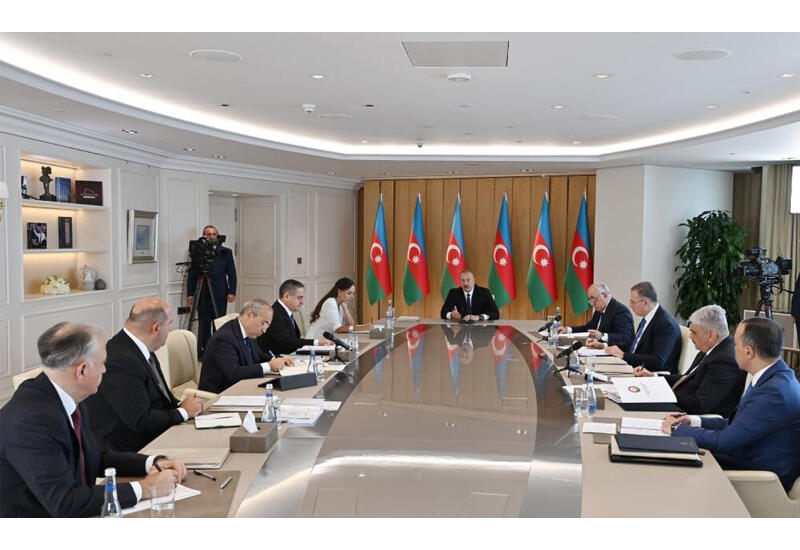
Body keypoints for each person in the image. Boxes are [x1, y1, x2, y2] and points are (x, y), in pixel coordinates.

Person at [0, 322, 187, 517]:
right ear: (82, 370)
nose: (105, 370)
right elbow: (65, 503)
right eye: (102, 363)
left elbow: (94, 457)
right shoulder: (31, 422)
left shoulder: (69, 395)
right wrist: (145, 488)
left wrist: (152, 463)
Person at [663, 317, 800, 491]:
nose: (732, 349)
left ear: (748, 352)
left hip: (757, 478)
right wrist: (693, 421)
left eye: (736, 344)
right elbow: (736, 424)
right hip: (743, 458)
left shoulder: (774, 392)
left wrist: (677, 430)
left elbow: (725, 441)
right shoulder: (774, 376)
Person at [86, 298, 203, 452]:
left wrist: (184, 406)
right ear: (156, 328)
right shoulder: (121, 359)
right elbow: (141, 421)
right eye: (169, 324)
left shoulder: (140, 348)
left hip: (155, 436)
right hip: (131, 450)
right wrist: (183, 412)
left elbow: (160, 400)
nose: (170, 330)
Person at [633, 305, 745, 417]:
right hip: (679, 405)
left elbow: (699, 405)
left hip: (690, 417)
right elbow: (686, 378)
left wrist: (660, 392)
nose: (690, 336)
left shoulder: (725, 361)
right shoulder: (712, 348)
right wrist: (654, 377)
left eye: (694, 332)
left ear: (711, 335)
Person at [199, 300, 294, 393]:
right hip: (220, 394)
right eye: (263, 323)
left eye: (267, 326)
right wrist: (269, 366)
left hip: (241, 387)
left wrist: (276, 360)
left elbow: (258, 355)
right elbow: (234, 373)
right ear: (250, 315)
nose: (264, 330)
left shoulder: (248, 332)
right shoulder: (224, 338)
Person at [605, 281, 681, 374]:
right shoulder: (647, 318)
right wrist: (605, 346)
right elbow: (635, 348)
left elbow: (658, 361)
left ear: (645, 302)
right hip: (634, 368)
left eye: (633, 302)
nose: (630, 306)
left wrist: (624, 355)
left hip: (651, 375)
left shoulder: (665, 324)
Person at [187, 225, 237, 355]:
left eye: (214, 234)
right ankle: (205, 349)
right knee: (204, 323)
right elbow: (192, 274)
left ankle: (219, 349)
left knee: (219, 322)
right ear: (204, 236)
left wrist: (232, 291)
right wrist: (190, 293)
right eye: (208, 234)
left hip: (220, 293)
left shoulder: (226, 252)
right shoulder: (197, 252)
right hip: (202, 293)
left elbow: (231, 273)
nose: (212, 236)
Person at [257, 279, 333, 355]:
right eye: (299, 298)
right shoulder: (274, 313)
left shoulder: (287, 312)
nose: (302, 302)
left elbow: (294, 339)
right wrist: (317, 342)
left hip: (290, 356)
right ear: (286, 296)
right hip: (277, 359)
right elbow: (287, 341)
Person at [557, 282, 633, 350]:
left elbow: (625, 338)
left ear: (604, 295)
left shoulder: (620, 311)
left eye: (593, 299)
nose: (592, 304)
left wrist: (602, 336)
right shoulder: (599, 310)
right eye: (590, 300)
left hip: (616, 356)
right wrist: (568, 330)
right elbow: (588, 328)